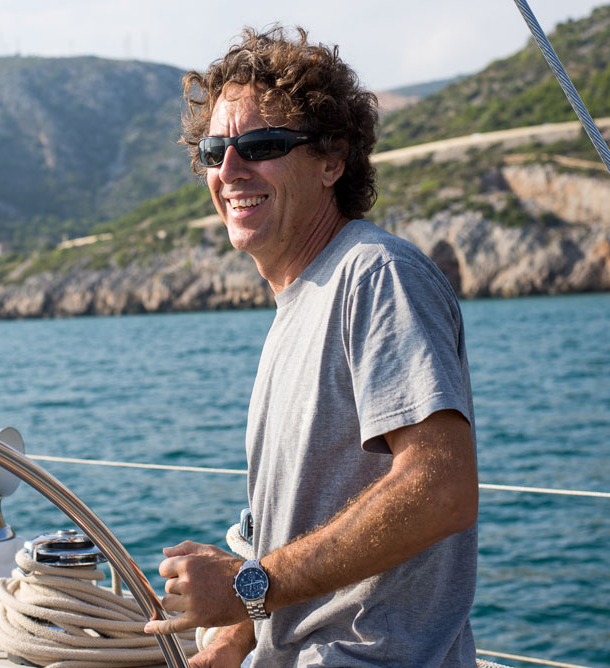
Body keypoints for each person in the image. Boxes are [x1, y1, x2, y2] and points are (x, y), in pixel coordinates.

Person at [143, 24, 479, 668]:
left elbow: (441, 487)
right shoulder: (302, 301)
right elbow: (292, 527)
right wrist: (235, 638)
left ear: (332, 159)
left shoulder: (376, 275)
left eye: (261, 145)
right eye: (215, 152)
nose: (230, 170)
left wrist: (248, 588)